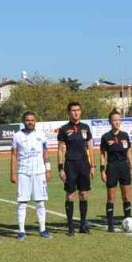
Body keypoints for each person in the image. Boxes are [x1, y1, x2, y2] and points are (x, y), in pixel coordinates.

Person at [56, 101, 96, 235]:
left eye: (78, 110)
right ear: (69, 112)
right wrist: (60, 168)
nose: (76, 112)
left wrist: (92, 166)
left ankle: (83, 225)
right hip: (70, 165)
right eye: (73, 110)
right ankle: (70, 226)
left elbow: (90, 148)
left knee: (84, 194)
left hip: (84, 164)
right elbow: (61, 149)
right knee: (71, 195)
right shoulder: (64, 129)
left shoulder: (86, 127)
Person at [11, 111, 51, 239]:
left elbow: (45, 153)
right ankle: (21, 231)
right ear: (24, 121)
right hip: (23, 172)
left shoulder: (41, 135)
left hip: (39, 172)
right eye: (28, 120)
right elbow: (13, 155)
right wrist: (13, 173)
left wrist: (48, 169)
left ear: (35, 121)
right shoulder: (17, 136)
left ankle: (43, 229)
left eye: (32, 120)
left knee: (40, 202)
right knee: (22, 202)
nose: (30, 122)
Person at [99, 111, 132, 232]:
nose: (117, 122)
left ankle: (127, 222)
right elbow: (103, 154)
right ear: (110, 121)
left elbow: (129, 152)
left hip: (124, 167)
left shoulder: (125, 135)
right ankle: (110, 225)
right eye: (114, 120)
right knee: (111, 197)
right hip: (112, 167)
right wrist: (102, 170)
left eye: (119, 119)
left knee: (126, 196)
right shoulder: (105, 137)